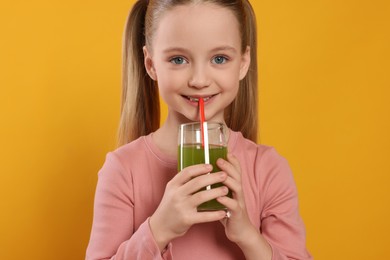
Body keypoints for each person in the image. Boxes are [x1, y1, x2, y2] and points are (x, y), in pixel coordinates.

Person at [86, 0, 312, 259]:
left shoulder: (268, 169)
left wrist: (246, 234)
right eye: (178, 59)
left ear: (243, 62)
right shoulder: (122, 171)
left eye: (219, 58)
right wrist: (159, 229)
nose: (199, 80)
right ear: (151, 64)